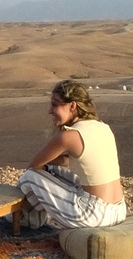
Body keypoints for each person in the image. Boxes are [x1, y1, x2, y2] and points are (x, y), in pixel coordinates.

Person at [14, 79, 126, 229]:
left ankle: (18, 221)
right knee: (50, 171)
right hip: (118, 210)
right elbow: (72, 161)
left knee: (30, 177)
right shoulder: (103, 127)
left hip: (92, 215)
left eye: (55, 105)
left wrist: (46, 164)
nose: (50, 111)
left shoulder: (69, 136)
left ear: (72, 106)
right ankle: (27, 220)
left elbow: (34, 165)